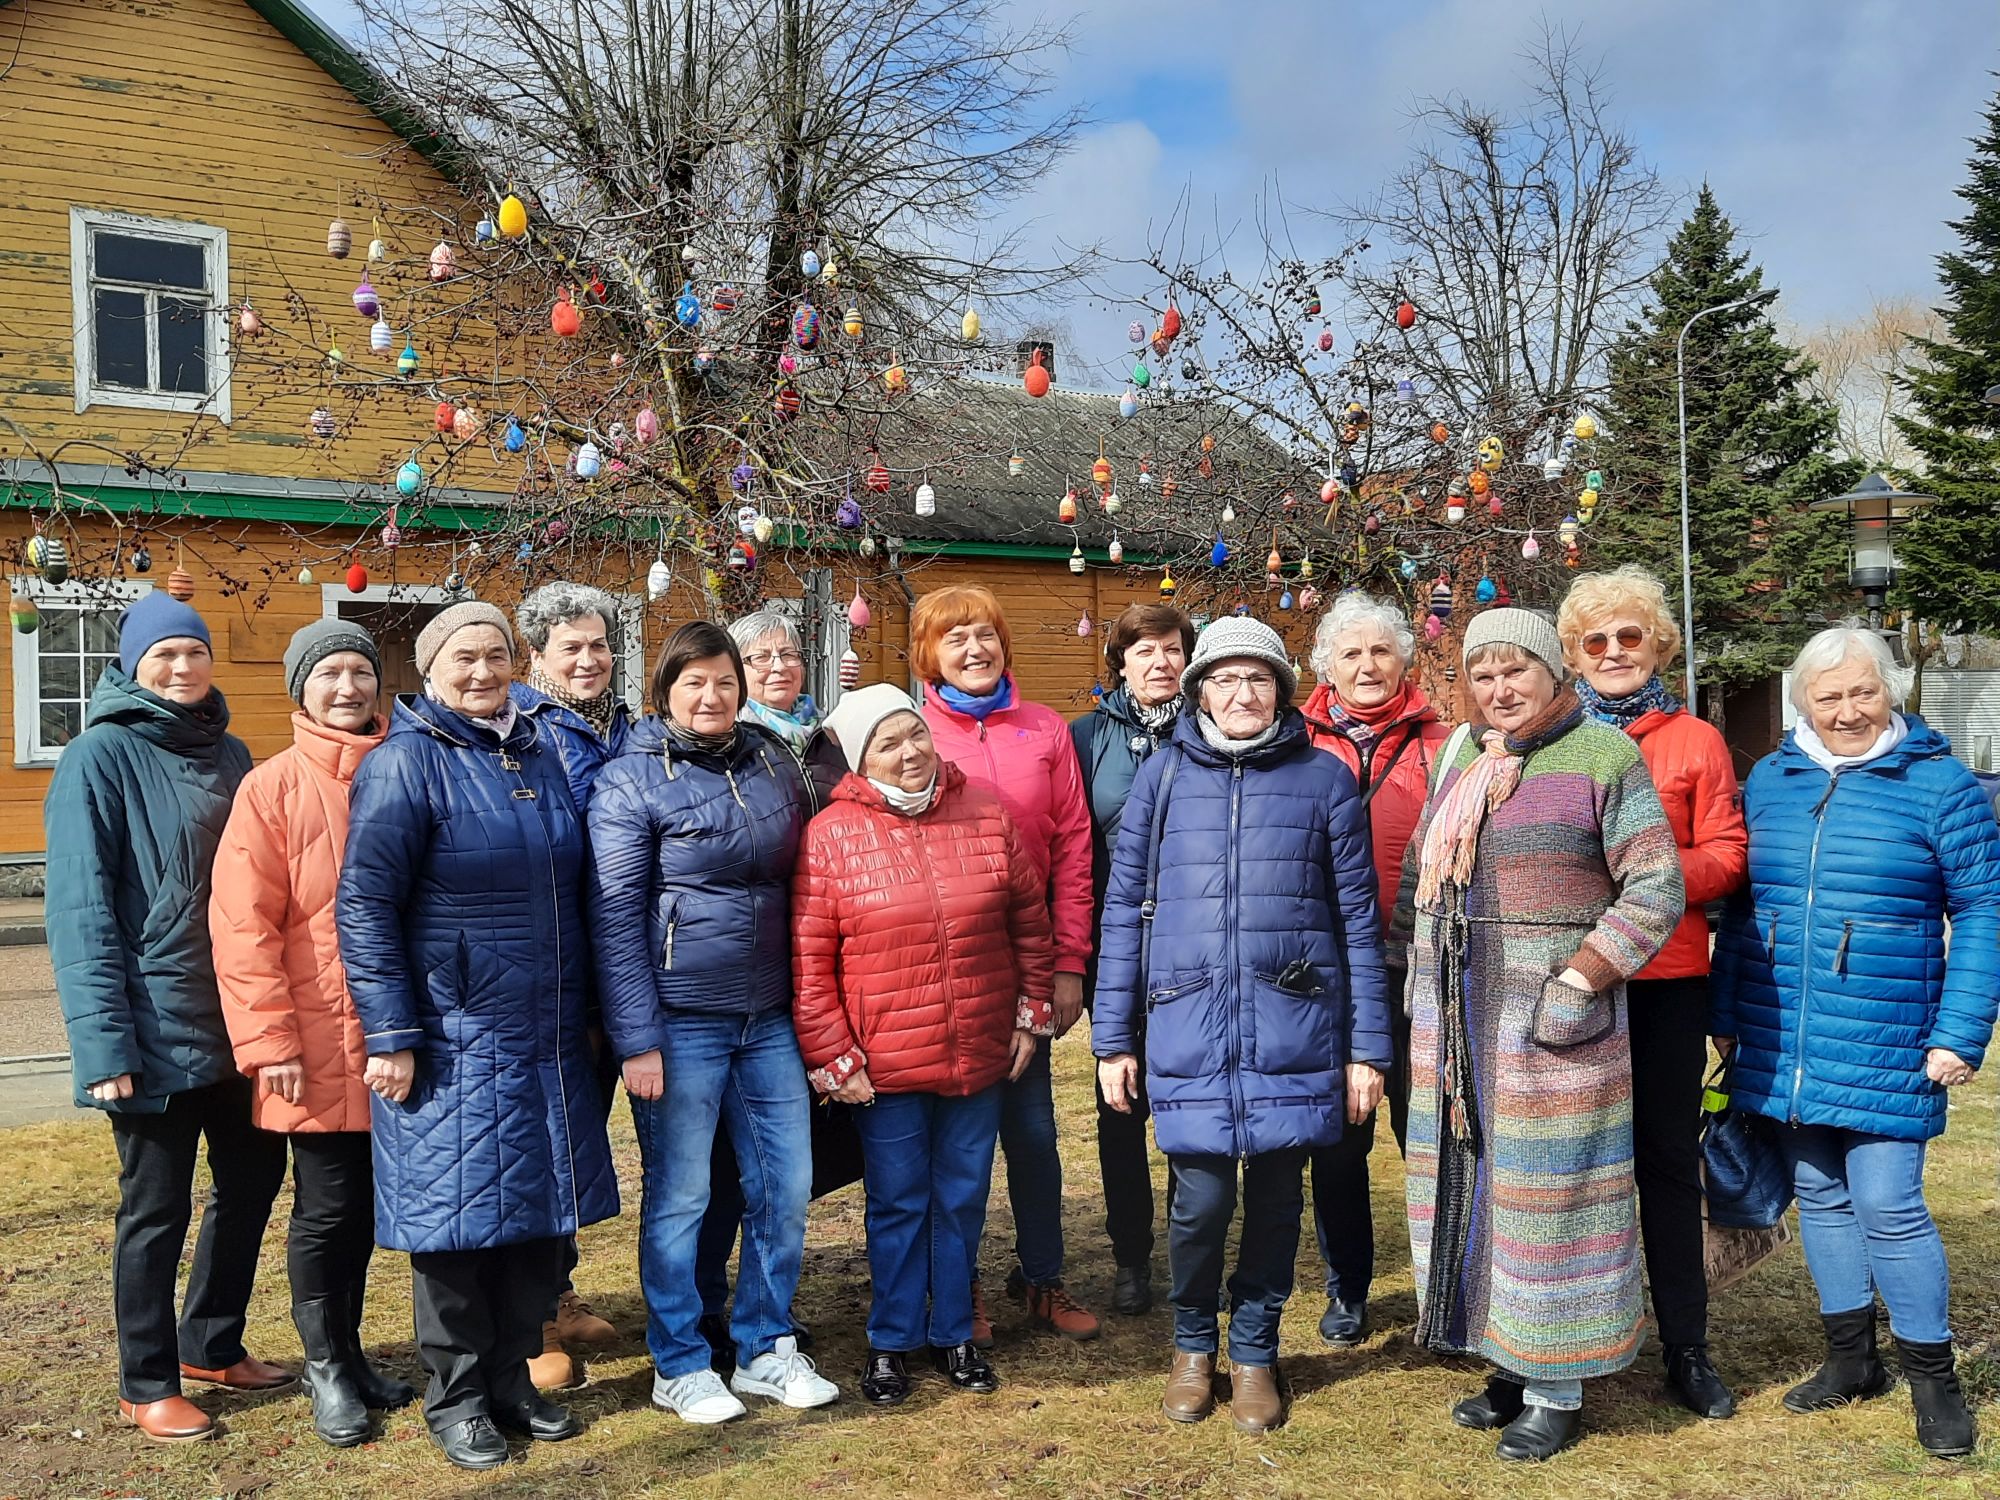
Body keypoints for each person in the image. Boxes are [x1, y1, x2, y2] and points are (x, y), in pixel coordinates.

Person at [1396, 608, 1685, 1462]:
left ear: (1556, 672)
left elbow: (1656, 887)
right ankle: (1505, 1362)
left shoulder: (1604, 755)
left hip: (1550, 1031)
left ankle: (1556, 1383)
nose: (1499, 690)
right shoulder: (1460, 756)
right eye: (1482, 676)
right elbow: (1421, 874)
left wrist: (1579, 978)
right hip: (1457, 1026)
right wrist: (1420, 991)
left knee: (1551, 1201)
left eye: (1514, 670)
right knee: (1474, 1189)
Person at [337, 601, 619, 1471]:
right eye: (464, 657)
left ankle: (510, 1381)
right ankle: (455, 1398)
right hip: (455, 1032)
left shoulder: (537, 753)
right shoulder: (403, 765)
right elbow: (365, 905)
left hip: (546, 1032)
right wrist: (390, 1030)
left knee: (534, 1223)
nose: (483, 671)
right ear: (428, 668)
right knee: (455, 1226)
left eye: (497, 655)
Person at [1094, 616, 1391, 1434]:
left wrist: (1367, 1050)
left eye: (1257, 678)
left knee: (1274, 1206)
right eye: (1223, 678)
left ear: (1282, 691)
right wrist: (1114, 1039)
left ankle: (1255, 1350)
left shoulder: (1325, 780)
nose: (1241, 693)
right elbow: (1123, 912)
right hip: (1186, 1021)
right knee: (1198, 1204)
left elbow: (1357, 922)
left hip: (1293, 1025)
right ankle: (1194, 1345)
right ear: (1198, 691)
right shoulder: (1161, 779)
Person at [1712, 626, 2000, 1461]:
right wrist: (1726, 1010)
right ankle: (1851, 1361)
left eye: (1862, 692)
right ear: (1802, 701)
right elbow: (1740, 905)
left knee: (1888, 1203)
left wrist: (1961, 1031)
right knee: (1821, 1194)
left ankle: (1932, 1378)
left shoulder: (1940, 786)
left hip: (1890, 1030)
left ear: (1890, 693)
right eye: (1828, 696)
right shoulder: (1771, 778)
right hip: (1782, 1030)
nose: (1846, 710)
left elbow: (1983, 912)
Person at [46, 592, 290, 1443]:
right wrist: (103, 1045)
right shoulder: (96, 757)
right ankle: (145, 1379)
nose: (182, 668)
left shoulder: (232, 752)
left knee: (253, 1184)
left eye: (193, 653)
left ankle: (212, 1343)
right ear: (132, 666)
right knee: (156, 1209)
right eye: (164, 657)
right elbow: (81, 912)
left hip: (238, 1017)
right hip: (150, 1029)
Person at [588, 620, 835, 1425]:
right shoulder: (631, 780)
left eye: (724, 680)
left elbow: (807, 878)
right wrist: (636, 1039)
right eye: (694, 681)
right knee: (682, 1197)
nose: (712, 694)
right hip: (680, 1019)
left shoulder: (771, 761)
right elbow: (617, 914)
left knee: (784, 1188)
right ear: (664, 692)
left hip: (768, 1018)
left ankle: (765, 1347)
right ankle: (681, 1361)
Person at [792, 684, 1057, 1405]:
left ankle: (954, 1334)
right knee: (900, 1200)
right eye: (888, 744)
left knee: (963, 1196)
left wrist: (1032, 1010)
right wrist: (832, 1053)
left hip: (977, 1044)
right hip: (886, 1059)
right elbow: (811, 959)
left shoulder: (985, 811)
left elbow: (1030, 921)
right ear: (858, 759)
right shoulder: (832, 833)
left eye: (916, 735)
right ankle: (891, 1339)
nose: (910, 753)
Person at [210, 620, 415, 1447]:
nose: (347, 688)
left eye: (359, 673)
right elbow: (243, 925)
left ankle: (354, 1353)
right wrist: (271, 1045)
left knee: (366, 1207)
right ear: (302, 688)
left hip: (399, 1034)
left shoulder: (406, 770)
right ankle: (326, 1366)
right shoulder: (272, 789)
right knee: (326, 1208)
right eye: (328, 673)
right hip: (313, 1038)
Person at [1558, 565, 1747, 1419]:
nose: (1612, 652)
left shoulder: (1694, 740)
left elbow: (1729, 854)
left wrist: (1649, 876)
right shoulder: (1552, 738)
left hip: (1666, 979)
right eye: (1594, 641)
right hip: (1573, 982)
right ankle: (1560, 1341)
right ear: (1573, 654)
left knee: (1667, 1164)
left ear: (1658, 643)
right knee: (1567, 1168)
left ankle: (1687, 1344)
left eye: (1628, 636)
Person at [915, 585, 1099, 1343]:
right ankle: (960, 1285)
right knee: (953, 1143)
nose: (974, 649)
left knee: (1032, 1134)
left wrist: (1068, 963)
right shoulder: (912, 728)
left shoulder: (1044, 731)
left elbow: (1076, 850)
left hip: (1028, 965)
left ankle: (1042, 1276)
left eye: (985, 634)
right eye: (955, 638)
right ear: (928, 653)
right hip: (942, 971)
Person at [691, 609, 854, 1369]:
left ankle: (765, 1307)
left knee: (791, 1161)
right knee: (724, 1163)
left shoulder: (828, 744)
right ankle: (705, 1308)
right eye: (761, 657)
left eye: (790, 653)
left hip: (819, 971)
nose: (780, 666)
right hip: (742, 975)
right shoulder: (739, 749)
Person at [1298, 591, 1448, 1347]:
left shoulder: (1447, 744)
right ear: (1326, 665)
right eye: (1350, 653)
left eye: (1380, 651)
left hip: (1419, 970)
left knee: (1426, 1133)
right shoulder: (1294, 741)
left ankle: (1440, 1285)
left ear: (1404, 661)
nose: (1366, 665)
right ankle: (1347, 1287)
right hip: (1324, 973)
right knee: (1338, 1140)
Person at [512, 582, 631, 1388]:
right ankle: (530, 1318)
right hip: (557, 966)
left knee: (584, 1135)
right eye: (570, 649)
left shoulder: (632, 726)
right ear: (537, 657)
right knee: (542, 1146)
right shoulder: (523, 731)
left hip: (626, 963)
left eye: (598, 645)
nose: (588, 660)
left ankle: (560, 1285)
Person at [1066, 602, 1193, 1317]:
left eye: (1171, 650)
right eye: (1143, 651)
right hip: (1115, 951)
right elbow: (1075, 851)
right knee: (1121, 1105)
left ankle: (1186, 1247)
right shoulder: (1085, 738)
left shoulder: (1208, 733)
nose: (1159, 663)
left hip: (1194, 953)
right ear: (1120, 661)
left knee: (1184, 1104)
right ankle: (1128, 1256)